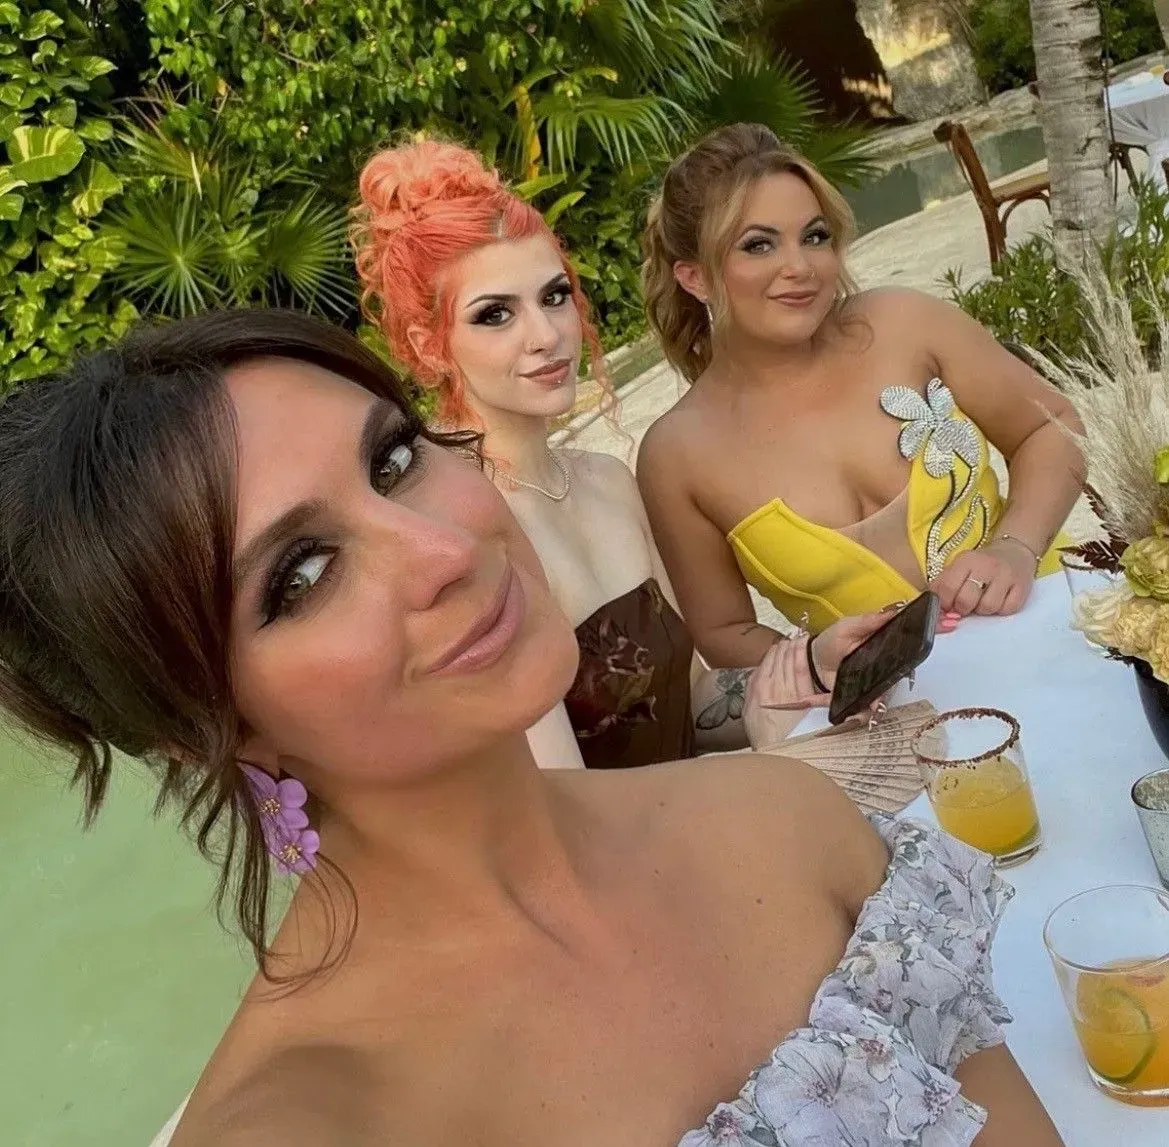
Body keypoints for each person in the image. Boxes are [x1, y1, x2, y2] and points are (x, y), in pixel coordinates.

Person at [0, 311, 1063, 1147]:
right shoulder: (312, 1119)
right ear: (199, 728)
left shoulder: (788, 819)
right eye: (303, 574)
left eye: (393, 461)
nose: (445, 548)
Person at [352, 139, 885, 767]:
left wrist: (811, 665)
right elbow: (559, 805)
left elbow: (699, 699)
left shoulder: (606, 482)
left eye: (553, 298)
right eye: (495, 315)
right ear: (431, 344)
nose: (546, 337)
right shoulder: (456, 531)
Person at [637, 123, 1085, 669]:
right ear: (695, 277)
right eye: (758, 245)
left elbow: (1050, 427)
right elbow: (724, 632)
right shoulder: (676, 455)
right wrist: (821, 667)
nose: (800, 267)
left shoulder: (904, 323)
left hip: (1055, 625)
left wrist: (1016, 548)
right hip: (897, 718)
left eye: (815, 236)